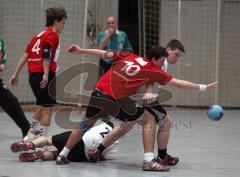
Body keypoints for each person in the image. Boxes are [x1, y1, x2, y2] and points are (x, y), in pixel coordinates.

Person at [56, 44, 216, 171]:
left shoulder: (129, 56)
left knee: (86, 123)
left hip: (98, 92)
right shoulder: (153, 70)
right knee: (149, 120)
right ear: (154, 59)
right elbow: (179, 84)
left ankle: (62, 155)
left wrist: (81, 50)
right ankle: (148, 161)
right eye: (161, 61)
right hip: (116, 99)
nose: (162, 64)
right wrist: (203, 87)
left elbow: (105, 54)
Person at [96, 39, 187, 167]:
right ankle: (162, 157)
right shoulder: (162, 62)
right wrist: (201, 87)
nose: (177, 58)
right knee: (166, 122)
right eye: (176, 54)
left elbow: (149, 79)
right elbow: (152, 78)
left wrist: (149, 90)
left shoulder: (154, 61)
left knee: (125, 125)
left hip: (132, 97)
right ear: (168, 50)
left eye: (179, 56)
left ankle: (97, 151)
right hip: (140, 99)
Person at [9, 7, 67, 141]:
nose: (63, 26)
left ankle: (28, 137)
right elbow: (47, 53)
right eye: (62, 23)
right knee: (48, 109)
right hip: (44, 74)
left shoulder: (38, 35)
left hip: (32, 76)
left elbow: (26, 54)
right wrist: (46, 74)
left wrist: (15, 73)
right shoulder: (53, 35)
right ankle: (41, 142)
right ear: (56, 21)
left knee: (45, 106)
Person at [10, 121, 117, 162]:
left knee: (49, 140)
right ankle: (40, 155)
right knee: (56, 154)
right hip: (82, 156)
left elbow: (84, 127)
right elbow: (101, 156)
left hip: (80, 140)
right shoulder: (115, 141)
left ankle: (30, 144)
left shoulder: (100, 125)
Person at [0, 36, 30, 137]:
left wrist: (2, 65)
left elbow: (2, 59)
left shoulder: (0, 41)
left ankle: (27, 130)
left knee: (12, 102)